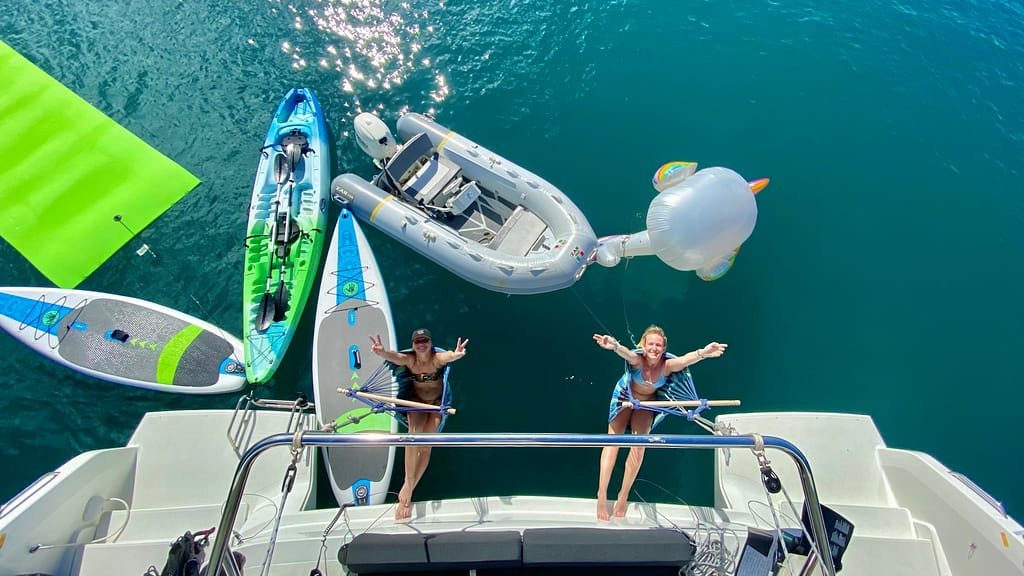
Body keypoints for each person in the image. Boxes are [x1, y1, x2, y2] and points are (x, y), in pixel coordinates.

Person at [592, 325, 727, 520]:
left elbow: (684, 360)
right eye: (650, 344)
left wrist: (703, 353)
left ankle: (623, 495)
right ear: (643, 345)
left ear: (664, 349)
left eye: (658, 345)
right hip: (624, 396)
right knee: (613, 442)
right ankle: (602, 493)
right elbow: (627, 354)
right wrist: (615, 346)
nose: (654, 348)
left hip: (647, 403)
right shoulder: (638, 361)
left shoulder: (666, 366)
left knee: (639, 446)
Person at [369, 328, 469, 520]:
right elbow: (395, 357)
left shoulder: (436, 359)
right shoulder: (410, 360)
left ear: (430, 343)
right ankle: (408, 484)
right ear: (413, 345)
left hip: (436, 404)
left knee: (425, 446)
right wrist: (382, 352)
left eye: (425, 341)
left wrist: (456, 355)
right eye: (417, 341)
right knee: (412, 436)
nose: (421, 344)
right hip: (415, 402)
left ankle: (408, 488)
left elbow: (447, 357)